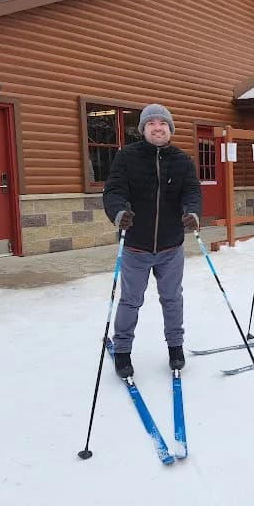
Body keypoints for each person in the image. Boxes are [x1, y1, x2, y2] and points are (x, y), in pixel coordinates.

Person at [103, 103, 201, 378]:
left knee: (172, 299)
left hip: (171, 246)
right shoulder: (127, 157)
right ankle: (122, 351)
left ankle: (175, 347)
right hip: (136, 244)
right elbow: (113, 190)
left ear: (170, 129)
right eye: (151, 123)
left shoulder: (182, 160)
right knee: (131, 301)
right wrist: (119, 212)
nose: (157, 127)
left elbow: (192, 192)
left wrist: (192, 212)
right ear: (143, 129)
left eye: (162, 123)